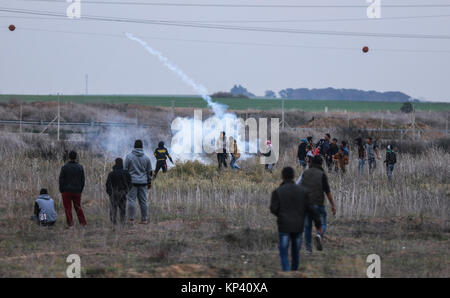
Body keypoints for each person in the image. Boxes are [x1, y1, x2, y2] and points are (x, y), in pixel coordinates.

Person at [270, 167, 321, 271]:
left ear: (282, 177)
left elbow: (273, 208)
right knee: (295, 251)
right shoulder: (303, 191)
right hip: (298, 226)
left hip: (284, 226)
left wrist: (281, 215)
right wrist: (318, 223)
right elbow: (311, 209)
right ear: (294, 176)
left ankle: (286, 270)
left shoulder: (278, 191)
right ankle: (294, 270)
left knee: (284, 250)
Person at [296, 155, 337, 253]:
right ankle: (319, 235)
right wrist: (333, 205)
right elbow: (327, 192)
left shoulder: (305, 173)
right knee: (322, 223)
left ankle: (308, 249)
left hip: (306, 205)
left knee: (307, 226)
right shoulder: (322, 174)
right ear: (321, 164)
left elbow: (299, 188)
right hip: (318, 204)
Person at [124, 140, 153, 225]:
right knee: (143, 201)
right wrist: (149, 181)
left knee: (131, 201)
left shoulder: (129, 157)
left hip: (132, 182)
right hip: (143, 182)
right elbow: (150, 171)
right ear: (142, 147)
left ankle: (131, 220)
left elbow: (125, 170)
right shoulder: (146, 158)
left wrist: (126, 181)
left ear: (134, 146)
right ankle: (144, 219)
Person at [59, 150, 87, 228]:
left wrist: (61, 190)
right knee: (78, 207)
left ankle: (70, 225)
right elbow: (83, 180)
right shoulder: (80, 167)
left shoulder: (64, 167)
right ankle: (83, 223)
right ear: (76, 157)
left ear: (69, 157)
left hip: (66, 191)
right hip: (77, 191)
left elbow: (61, 180)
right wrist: (80, 189)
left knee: (68, 208)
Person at [106, 158, 132, 225]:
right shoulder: (126, 173)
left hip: (113, 193)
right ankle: (122, 223)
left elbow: (108, 184)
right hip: (123, 193)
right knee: (122, 209)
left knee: (113, 209)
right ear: (122, 163)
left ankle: (113, 223)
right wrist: (126, 191)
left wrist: (110, 193)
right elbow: (130, 184)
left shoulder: (111, 173)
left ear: (115, 163)